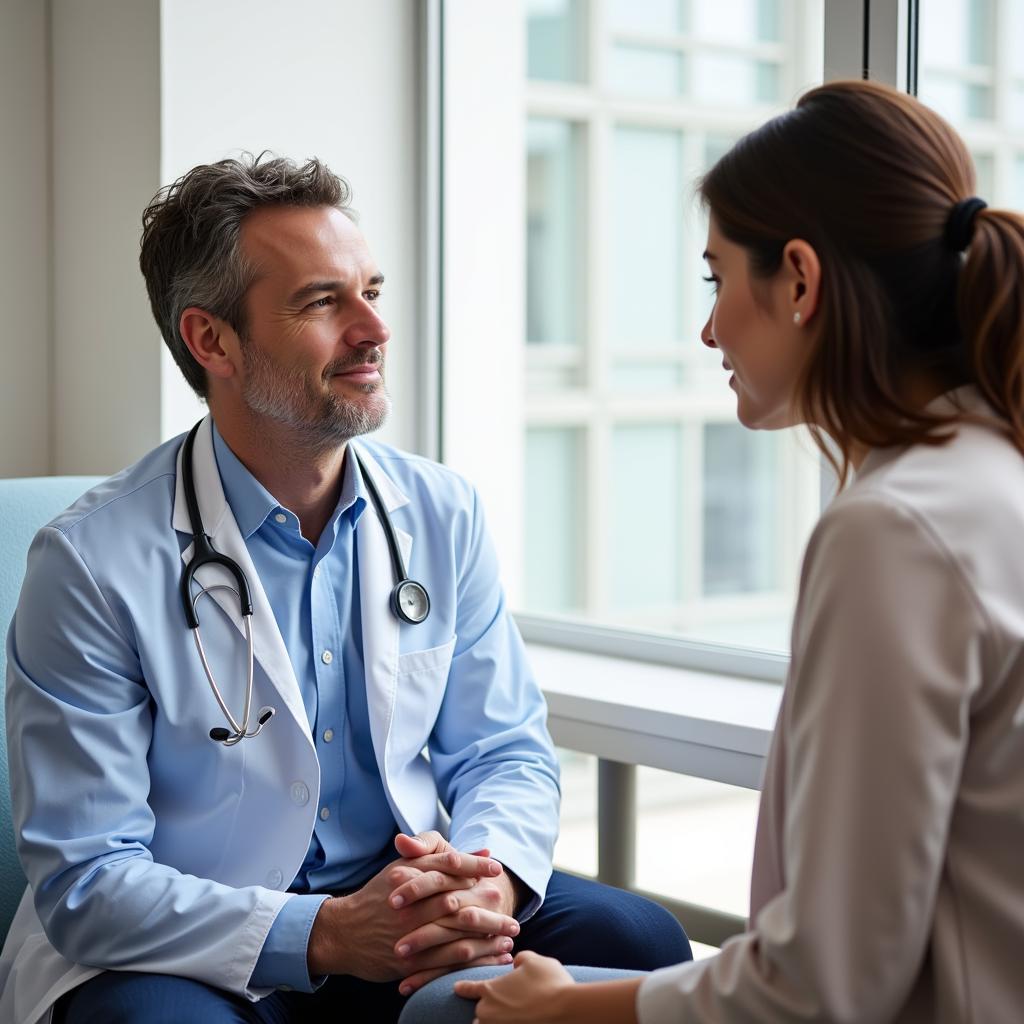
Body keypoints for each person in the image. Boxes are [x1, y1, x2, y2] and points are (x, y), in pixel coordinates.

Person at [0, 155, 690, 1024]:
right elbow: (87, 879)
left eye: (372, 290)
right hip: (202, 943)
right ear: (211, 340)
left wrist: (486, 881)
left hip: (400, 907)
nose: (374, 328)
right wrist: (322, 931)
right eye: (325, 302)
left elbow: (504, 750)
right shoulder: (92, 561)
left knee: (639, 944)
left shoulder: (441, 511)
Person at [413, 79, 1024, 1023]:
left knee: (457, 1013)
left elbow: (828, 982)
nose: (708, 328)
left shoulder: (893, 532)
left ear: (801, 281)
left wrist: (570, 1009)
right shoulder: (989, 469)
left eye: (717, 279)